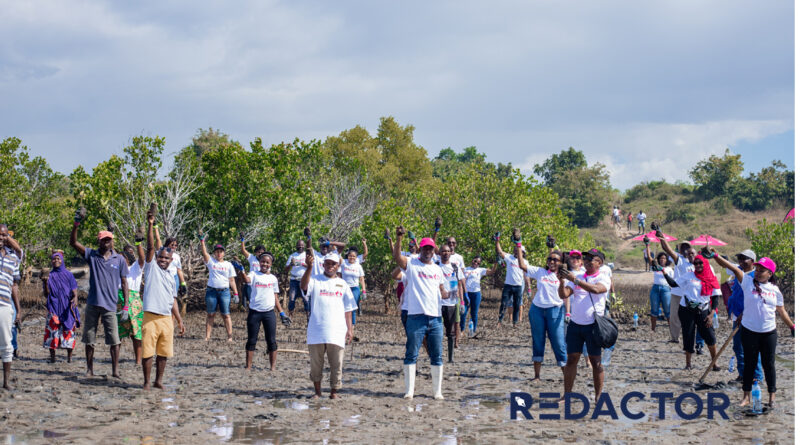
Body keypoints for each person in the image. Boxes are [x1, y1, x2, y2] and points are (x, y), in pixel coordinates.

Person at [710, 252, 794, 408]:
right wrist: (715, 255)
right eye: (757, 269)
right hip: (749, 331)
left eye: (762, 270)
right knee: (750, 363)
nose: (757, 272)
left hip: (769, 332)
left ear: (770, 274)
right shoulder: (747, 282)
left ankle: (771, 398)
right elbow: (733, 269)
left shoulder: (774, 290)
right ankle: (746, 397)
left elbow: (781, 311)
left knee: (769, 365)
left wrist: (792, 326)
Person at [70, 210, 129, 378]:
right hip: (93, 304)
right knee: (89, 339)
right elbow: (73, 242)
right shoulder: (92, 255)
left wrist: (125, 305)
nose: (105, 242)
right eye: (103, 240)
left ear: (112, 241)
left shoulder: (119, 260)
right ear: (99, 241)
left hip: (110, 305)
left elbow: (124, 283)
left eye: (108, 240)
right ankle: (90, 369)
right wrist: (76, 224)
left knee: (114, 340)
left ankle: (115, 370)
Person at [394, 227, 447, 400]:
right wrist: (399, 238)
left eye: (430, 248)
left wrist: (449, 294)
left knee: (437, 355)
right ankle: (410, 391)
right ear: (421, 249)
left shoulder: (438, 270)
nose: (428, 251)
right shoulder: (412, 263)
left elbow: (441, 289)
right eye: (425, 248)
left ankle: (437, 392)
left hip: (436, 318)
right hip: (416, 317)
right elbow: (397, 258)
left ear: (434, 251)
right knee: (411, 353)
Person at [301, 251, 357, 399]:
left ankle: (334, 392)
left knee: (336, 363)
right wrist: (308, 268)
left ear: (338, 266)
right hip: (316, 330)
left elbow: (348, 309)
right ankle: (317, 392)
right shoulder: (315, 279)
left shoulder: (343, 284)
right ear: (323, 265)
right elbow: (304, 286)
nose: (330, 266)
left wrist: (350, 329)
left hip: (337, 330)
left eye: (333, 264)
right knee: (316, 363)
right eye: (327, 263)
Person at [558, 248, 610, 402]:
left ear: (599, 263)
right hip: (575, 324)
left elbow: (596, 289)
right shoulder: (579, 276)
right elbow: (564, 295)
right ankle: (567, 395)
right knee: (571, 360)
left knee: (596, 362)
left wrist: (575, 280)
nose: (586, 261)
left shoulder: (603, 277)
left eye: (591, 259)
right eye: (585, 259)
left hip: (593, 326)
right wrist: (562, 282)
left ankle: (598, 396)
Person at [140, 211, 185, 390]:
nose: (163, 261)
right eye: (161, 258)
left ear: (171, 260)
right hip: (151, 316)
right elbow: (150, 247)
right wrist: (150, 224)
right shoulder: (151, 268)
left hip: (166, 318)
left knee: (163, 353)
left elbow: (173, 300)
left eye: (166, 258)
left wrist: (180, 320)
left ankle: (158, 381)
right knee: (148, 352)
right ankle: (146, 382)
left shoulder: (171, 275)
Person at [520, 247, 567, 385]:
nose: (552, 261)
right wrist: (518, 245)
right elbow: (522, 265)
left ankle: (567, 376)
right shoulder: (541, 272)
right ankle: (537, 376)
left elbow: (566, 296)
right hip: (537, 310)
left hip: (555, 310)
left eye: (555, 260)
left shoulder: (565, 276)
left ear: (561, 262)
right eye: (549, 259)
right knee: (538, 342)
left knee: (559, 343)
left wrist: (568, 312)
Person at [238, 252, 290, 371]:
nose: (264, 264)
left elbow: (275, 297)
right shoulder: (254, 274)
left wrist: (282, 313)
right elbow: (246, 280)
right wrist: (242, 270)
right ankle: (248, 366)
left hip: (269, 313)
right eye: (263, 261)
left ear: (271, 264)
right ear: (259, 263)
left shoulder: (273, 278)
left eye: (267, 262)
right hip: (254, 312)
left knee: (271, 341)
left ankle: (272, 367)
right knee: (251, 340)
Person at [673, 253, 721, 370]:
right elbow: (673, 284)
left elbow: (715, 297)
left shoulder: (711, 277)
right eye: (696, 263)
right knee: (688, 335)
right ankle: (688, 364)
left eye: (700, 263)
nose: (698, 265)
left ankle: (714, 363)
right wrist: (663, 272)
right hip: (686, 309)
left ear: (705, 264)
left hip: (703, 310)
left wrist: (711, 314)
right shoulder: (689, 275)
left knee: (710, 336)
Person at [725, 249, 763, 383]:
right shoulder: (739, 272)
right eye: (739, 258)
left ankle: (756, 376)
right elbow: (726, 265)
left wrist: (744, 314)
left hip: (749, 316)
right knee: (738, 347)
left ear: (752, 261)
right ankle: (743, 374)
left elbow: (755, 299)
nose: (741, 261)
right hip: (737, 315)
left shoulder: (755, 276)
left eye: (744, 258)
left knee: (752, 348)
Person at [42, 251, 79, 363]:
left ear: (62, 260)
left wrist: (75, 298)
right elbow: (46, 294)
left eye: (58, 259)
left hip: (67, 306)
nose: (56, 261)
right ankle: (53, 358)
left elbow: (74, 290)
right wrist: (45, 283)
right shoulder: (50, 276)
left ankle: (69, 358)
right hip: (54, 306)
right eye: (54, 259)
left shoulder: (69, 274)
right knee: (52, 332)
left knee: (68, 331)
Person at [657, 235, 696, 344]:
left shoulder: (695, 263)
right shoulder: (678, 258)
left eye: (687, 247)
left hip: (689, 294)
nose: (685, 249)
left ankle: (689, 338)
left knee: (689, 318)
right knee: (674, 316)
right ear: (679, 249)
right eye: (682, 247)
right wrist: (661, 236)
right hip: (676, 292)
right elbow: (667, 249)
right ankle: (675, 337)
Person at [199, 236, 238, 342]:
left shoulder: (228, 265)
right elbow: (204, 253)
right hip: (211, 291)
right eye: (217, 252)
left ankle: (230, 336)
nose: (219, 253)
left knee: (226, 314)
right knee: (211, 314)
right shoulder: (211, 262)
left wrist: (236, 294)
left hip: (224, 292)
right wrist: (202, 242)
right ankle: (207, 336)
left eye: (221, 251)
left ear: (224, 253)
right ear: (214, 253)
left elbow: (232, 280)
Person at [0, 225, 21, 389]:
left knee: (7, 344)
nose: (1, 238)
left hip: (5, 305)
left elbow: (14, 286)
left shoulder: (13, 258)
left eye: (4, 236)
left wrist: (19, 310)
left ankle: (6, 382)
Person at [437, 244, 464, 363]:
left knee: (451, 332)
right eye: (443, 251)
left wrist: (462, 301)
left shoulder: (455, 267)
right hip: (437, 303)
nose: (446, 253)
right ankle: (437, 355)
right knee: (436, 331)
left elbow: (459, 285)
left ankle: (450, 358)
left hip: (451, 303)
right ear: (439, 253)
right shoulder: (435, 266)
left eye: (448, 251)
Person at [119, 243, 144, 365]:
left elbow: (142, 258)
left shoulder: (135, 268)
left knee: (136, 332)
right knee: (117, 333)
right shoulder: (115, 270)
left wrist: (139, 244)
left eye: (122, 258)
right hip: (118, 300)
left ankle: (138, 361)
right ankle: (116, 360)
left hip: (134, 301)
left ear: (128, 259)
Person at [495, 236, 527, 328]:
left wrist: (528, 287)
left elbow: (527, 275)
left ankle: (515, 323)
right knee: (504, 304)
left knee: (517, 305)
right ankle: (499, 321)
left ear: (522, 252)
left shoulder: (525, 262)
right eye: (515, 250)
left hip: (518, 286)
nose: (517, 252)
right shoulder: (509, 258)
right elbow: (500, 251)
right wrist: (497, 241)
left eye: (519, 250)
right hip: (508, 285)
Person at [643, 243, 673, 333]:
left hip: (666, 289)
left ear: (666, 260)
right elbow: (649, 257)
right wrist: (647, 245)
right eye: (661, 258)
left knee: (667, 310)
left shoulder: (669, 269)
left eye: (664, 258)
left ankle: (671, 329)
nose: (662, 260)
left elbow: (672, 282)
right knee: (654, 309)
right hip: (655, 289)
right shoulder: (655, 267)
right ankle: (653, 329)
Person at [463, 256, 496, 337]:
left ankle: (472, 331)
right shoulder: (465, 269)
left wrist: (496, 263)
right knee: (463, 312)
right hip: (466, 293)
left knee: (474, 313)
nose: (476, 264)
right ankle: (461, 330)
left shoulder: (480, 270)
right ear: (472, 260)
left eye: (478, 263)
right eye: (475, 261)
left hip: (476, 293)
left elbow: (491, 272)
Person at [153, 230, 188, 303]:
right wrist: (155, 227)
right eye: (172, 245)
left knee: (173, 299)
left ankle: (173, 314)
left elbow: (179, 270)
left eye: (176, 245)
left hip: (174, 278)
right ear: (167, 244)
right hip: (162, 277)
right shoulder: (162, 252)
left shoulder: (177, 256)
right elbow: (158, 239)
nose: (174, 247)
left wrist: (183, 283)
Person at [340, 249, 366, 327]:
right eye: (350, 256)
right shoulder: (344, 264)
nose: (352, 257)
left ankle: (352, 325)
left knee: (353, 307)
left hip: (355, 288)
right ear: (347, 256)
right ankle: (344, 324)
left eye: (354, 256)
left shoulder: (358, 266)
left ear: (356, 257)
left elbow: (361, 279)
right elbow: (339, 276)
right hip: (345, 288)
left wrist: (364, 291)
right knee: (344, 307)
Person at [284, 240, 309, 318]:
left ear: (304, 246)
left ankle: (308, 317)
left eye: (302, 245)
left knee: (306, 299)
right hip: (294, 280)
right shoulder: (292, 256)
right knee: (291, 299)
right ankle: (290, 317)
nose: (300, 247)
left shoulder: (306, 255)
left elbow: (311, 267)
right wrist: (291, 264)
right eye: (299, 245)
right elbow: (286, 269)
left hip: (304, 280)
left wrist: (302, 264)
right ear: (296, 246)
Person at [239, 238, 266, 308]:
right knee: (252, 300)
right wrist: (242, 241)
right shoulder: (252, 258)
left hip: (261, 284)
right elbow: (243, 251)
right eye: (258, 252)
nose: (260, 253)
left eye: (261, 252)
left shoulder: (266, 261)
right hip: (251, 284)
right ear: (256, 252)